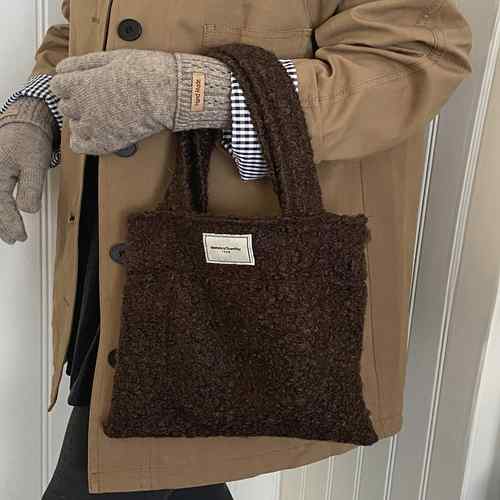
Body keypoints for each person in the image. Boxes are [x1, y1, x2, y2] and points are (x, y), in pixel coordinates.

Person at [0, 0, 472, 497]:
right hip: (115, 256)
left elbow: (417, 55)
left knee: (127, 466)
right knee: (163, 469)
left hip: (222, 267)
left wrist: (197, 93)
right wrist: (36, 109)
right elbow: (82, 27)